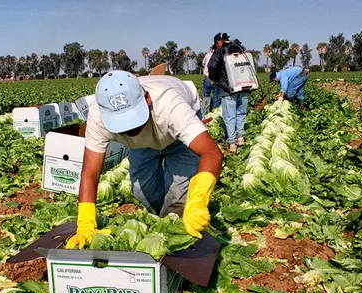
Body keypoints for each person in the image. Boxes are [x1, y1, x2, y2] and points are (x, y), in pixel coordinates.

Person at [65, 71, 224, 249]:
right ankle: (164, 222)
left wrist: (198, 199)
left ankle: (177, 237)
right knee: (142, 190)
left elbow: (212, 153)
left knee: (179, 199)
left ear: (147, 99)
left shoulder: (171, 106)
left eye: (133, 119)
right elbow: (90, 172)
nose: (129, 128)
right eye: (121, 123)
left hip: (176, 136)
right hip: (142, 144)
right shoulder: (98, 116)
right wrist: (85, 223)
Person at [208, 33, 248, 153]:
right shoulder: (240, 49)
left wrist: (215, 78)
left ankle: (232, 143)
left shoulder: (220, 51)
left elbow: (212, 65)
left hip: (228, 89)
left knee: (230, 116)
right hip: (245, 87)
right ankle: (240, 137)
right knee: (241, 113)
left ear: (218, 42)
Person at [202, 38, 221, 112]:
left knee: (206, 95)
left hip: (207, 78)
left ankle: (205, 112)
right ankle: (215, 112)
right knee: (216, 96)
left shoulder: (207, 55)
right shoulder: (218, 56)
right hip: (215, 79)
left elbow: (203, 63)